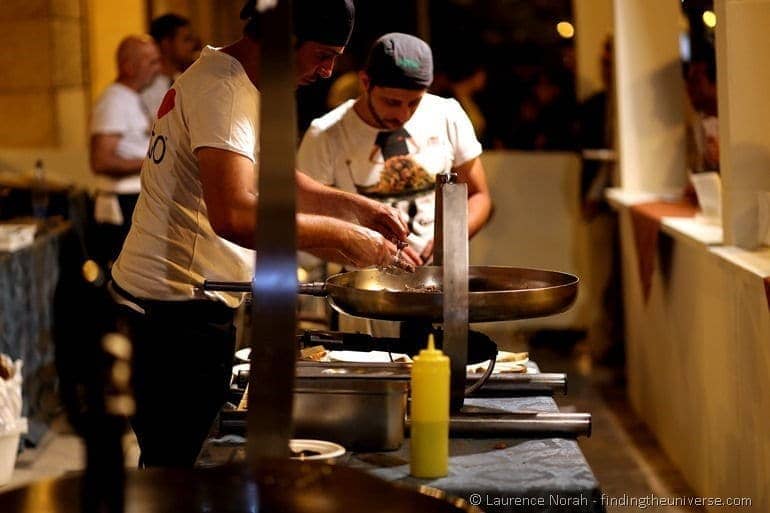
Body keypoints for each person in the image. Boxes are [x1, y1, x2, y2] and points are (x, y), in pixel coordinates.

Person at [110, 0, 409, 468]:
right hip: (171, 314)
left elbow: (274, 177)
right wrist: (345, 239)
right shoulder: (225, 89)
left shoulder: (231, 76)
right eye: (322, 55)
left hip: (175, 305)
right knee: (174, 471)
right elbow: (234, 214)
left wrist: (358, 209)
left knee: (177, 463)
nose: (329, 71)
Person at [297, 32, 493, 334]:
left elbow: (479, 196)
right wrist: (364, 249)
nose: (402, 115)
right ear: (365, 83)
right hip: (363, 293)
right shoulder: (326, 134)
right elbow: (306, 222)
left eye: (414, 103)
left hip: (437, 287)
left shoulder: (448, 115)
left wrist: (447, 241)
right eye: (391, 102)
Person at [89, 35, 160, 270]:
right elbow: (101, 161)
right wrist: (153, 163)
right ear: (129, 67)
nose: (157, 69)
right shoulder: (113, 101)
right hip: (122, 203)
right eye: (150, 62)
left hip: (136, 200)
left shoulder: (131, 98)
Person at [142, 13, 198, 116]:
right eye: (186, 40)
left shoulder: (187, 80)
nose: (192, 45)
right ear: (166, 44)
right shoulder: (147, 86)